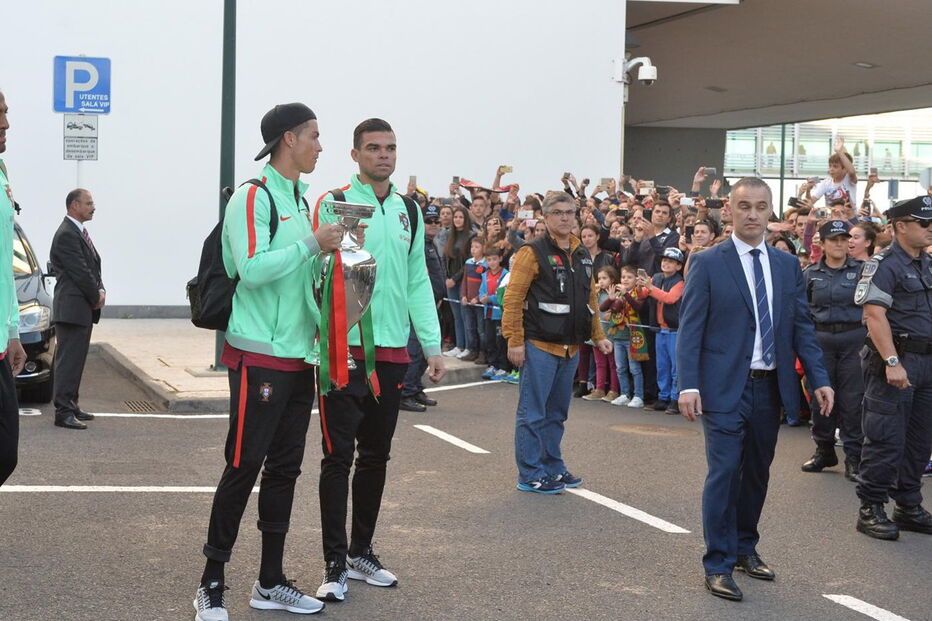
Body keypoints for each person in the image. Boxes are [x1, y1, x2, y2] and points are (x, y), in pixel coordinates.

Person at [193, 103, 344, 621]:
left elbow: (299, 273)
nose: (320, 146)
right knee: (243, 465)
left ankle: (270, 581)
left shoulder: (300, 199)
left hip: (301, 354)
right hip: (259, 352)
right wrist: (311, 244)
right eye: (314, 136)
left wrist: (330, 253)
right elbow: (253, 270)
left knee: (284, 469)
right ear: (288, 139)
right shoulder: (251, 197)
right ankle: (211, 583)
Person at [677, 177, 833, 602]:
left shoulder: (786, 266)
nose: (752, 214)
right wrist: (688, 384)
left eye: (760, 207)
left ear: (770, 213)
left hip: (770, 389)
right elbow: (690, 331)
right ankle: (718, 563)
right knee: (725, 473)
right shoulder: (708, 262)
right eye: (744, 205)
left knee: (757, 474)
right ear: (729, 210)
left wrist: (818, 378)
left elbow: (801, 326)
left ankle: (746, 547)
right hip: (724, 388)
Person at [312, 118, 445, 602]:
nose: (383, 155)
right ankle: (333, 562)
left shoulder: (409, 209)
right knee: (337, 456)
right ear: (355, 155)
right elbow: (322, 273)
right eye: (373, 148)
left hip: (391, 352)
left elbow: (417, 283)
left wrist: (431, 346)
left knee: (376, 456)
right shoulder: (334, 203)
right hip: (342, 353)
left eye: (389, 147)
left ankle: (361, 552)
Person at [502, 191, 612, 494]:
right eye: (558, 212)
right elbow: (513, 299)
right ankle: (531, 474)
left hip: (571, 348)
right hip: (539, 346)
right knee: (532, 413)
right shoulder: (531, 252)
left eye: (570, 212)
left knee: (556, 415)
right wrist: (515, 340)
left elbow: (589, 298)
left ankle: (553, 466)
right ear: (546, 217)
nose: (565, 217)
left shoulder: (580, 251)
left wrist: (599, 336)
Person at [852, 195, 932, 541]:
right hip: (896, 361)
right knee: (885, 436)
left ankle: (908, 504)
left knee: (919, 439)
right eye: (924, 224)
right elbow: (873, 314)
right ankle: (871, 508)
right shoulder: (885, 264)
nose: (931, 229)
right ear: (901, 226)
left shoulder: (924, 263)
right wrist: (893, 362)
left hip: (926, 361)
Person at [798, 220, 865, 480]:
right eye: (833, 239)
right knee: (820, 399)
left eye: (843, 239)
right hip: (820, 341)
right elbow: (801, 311)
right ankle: (824, 450)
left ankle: (854, 458)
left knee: (852, 401)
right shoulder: (810, 273)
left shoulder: (862, 271)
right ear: (823, 243)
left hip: (853, 340)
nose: (839, 244)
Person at [49, 189, 105, 430]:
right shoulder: (66, 235)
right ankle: (63, 412)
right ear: (74, 206)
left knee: (77, 359)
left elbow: (93, 267)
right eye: (89, 203)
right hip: (72, 308)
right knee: (68, 361)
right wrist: (96, 296)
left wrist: (100, 289)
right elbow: (80, 271)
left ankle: (72, 404)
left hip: (80, 308)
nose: (94, 207)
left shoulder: (77, 231)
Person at [0, 89, 26, 486]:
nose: (6, 123)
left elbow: (6, 264)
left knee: (6, 453)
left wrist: (14, 332)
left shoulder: (2, 170)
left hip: (1, 342)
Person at [400, 203, 446, 412]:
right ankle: (406, 392)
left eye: (437, 221)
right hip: (415, 307)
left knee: (422, 352)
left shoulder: (431, 244)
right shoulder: (418, 245)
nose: (434, 225)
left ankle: (415, 387)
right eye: (429, 221)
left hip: (432, 303)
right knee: (414, 351)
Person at [640, 247, 685, 414]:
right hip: (660, 330)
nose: (666, 263)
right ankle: (663, 396)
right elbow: (642, 295)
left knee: (675, 367)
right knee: (662, 366)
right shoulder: (657, 278)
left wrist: (650, 288)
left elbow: (670, 298)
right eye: (665, 260)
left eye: (671, 261)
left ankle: (675, 398)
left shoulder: (679, 282)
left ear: (679, 266)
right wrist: (641, 286)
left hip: (674, 330)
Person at [602, 265, 648, 407]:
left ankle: (638, 396)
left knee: (634, 368)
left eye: (629, 277)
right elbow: (602, 308)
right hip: (618, 336)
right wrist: (610, 299)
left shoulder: (637, 292)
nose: (626, 280)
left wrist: (626, 294)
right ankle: (624, 394)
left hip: (632, 337)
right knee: (620, 367)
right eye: (623, 277)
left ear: (636, 279)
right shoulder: (618, 293)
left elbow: (638, 308)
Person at [582, 266, 621, 403]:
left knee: (613, 364)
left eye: (605, 278)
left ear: (613, 279)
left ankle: (614, 390)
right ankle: (599, 389)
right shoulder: (597, 293)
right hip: (598, 335)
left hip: (611, 335)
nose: (601, 281)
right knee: (600, 364)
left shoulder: (616, 293)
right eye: (599, 278)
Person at [477, 245, 509, 380]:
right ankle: (493, 365)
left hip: (499, 315)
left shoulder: (505, 274)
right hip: (488, 314)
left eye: (494, 259)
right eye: (489, 260)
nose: (492, 262)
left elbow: (503, 295)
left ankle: (503, 367)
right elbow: (481, 291)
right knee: (489, 340)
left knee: (500, 341)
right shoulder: (485, 275)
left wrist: (490, 299)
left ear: (500, 259)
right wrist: (481, 298)